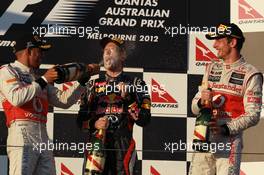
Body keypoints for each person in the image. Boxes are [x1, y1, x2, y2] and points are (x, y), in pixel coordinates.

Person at [0, 34, 90, 175]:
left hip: (42, 133)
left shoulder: (37, 78)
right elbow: (16, 98)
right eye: (39, 51)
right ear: (28, 51)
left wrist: (82, 82)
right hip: (21, 130)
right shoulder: (8, 71)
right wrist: (44, 80)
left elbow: (63, 100)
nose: (42, 56)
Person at [189, 23, 263, 175]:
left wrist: (226, 128)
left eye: (218, 40)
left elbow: (253, 115)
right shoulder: (211, 68)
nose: (214, 45)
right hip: (203, 138)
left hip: (228, 144)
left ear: (233, 42)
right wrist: (201, 101)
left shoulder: (251, 74)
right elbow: (194, 108)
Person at [77, 37, 151, 175]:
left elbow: (145, 120)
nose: (107, 54)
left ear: (123, 55)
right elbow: (80, 122)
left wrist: (128, 100)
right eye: (105, 51)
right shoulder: (91, 85)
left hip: (123, 146)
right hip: (97, 143)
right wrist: (94, 124)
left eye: (111, 50)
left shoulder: (137, 84)